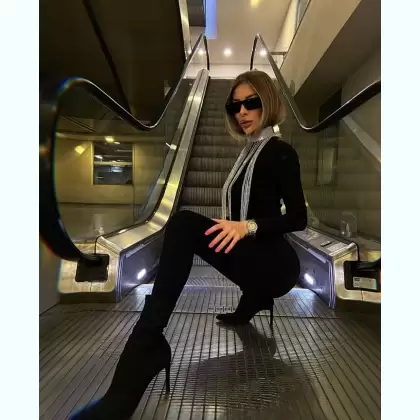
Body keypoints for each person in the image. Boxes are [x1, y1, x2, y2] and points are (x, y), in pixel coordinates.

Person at [70, 70, 307, 420]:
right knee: (191, 227)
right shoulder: (248, 152)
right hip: (256, 257)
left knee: (182, 224)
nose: (242, 112)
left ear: (268, 102)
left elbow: (299, 217)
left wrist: (248, 226)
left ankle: (147, 341)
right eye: (235, 106)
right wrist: (237, 226)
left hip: (278, 265)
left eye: (251, 103)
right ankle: (253, 299)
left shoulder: (281, 152)